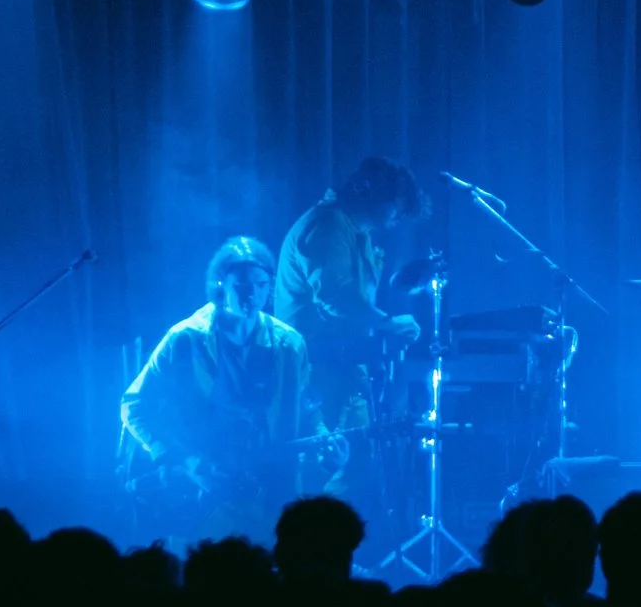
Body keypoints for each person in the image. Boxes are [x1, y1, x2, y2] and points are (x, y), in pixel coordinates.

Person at [121, 237, 316, 535]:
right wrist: (186, 462)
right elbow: (134, 405)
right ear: (220, 285)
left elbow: (303, 407)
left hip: (267, 493)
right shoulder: (184, 339)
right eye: (241, 286)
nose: (251, 295)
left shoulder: (289, 344)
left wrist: (324, 439)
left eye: (261, 285)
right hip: (199, 492)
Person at [274, 157, 430, 430]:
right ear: (370, 189)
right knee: (321, 461)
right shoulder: (327, 225)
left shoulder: (358, 233)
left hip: (344, 368)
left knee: (357, 463)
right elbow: (338, 296)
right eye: (397, 202)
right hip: (314, 371)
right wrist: (389, 323)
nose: (401, 214)